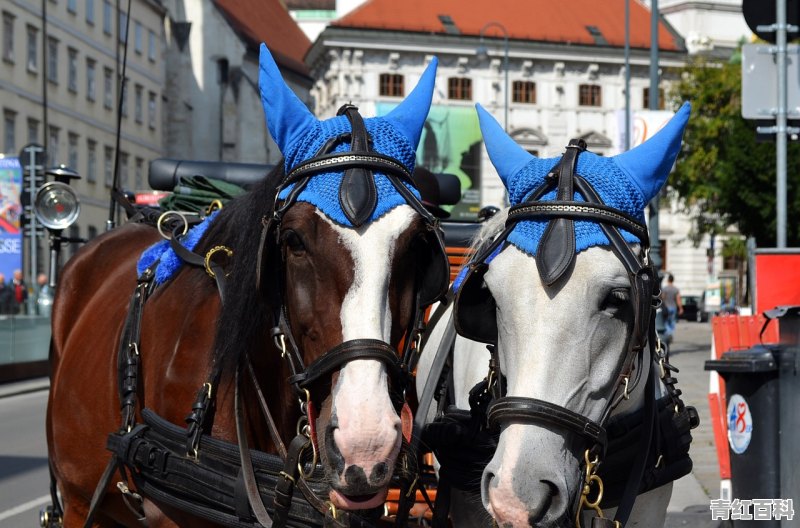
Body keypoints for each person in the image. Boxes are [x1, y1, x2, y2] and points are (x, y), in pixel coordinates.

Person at [661, 273, 683, 343]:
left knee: (666, 322)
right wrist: (681, 308)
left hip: (666, 307)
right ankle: (670, 334)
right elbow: (678, 299)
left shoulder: (665, 289)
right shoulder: (676, 289)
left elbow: (662, 298)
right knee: (672, 322)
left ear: (668, 280)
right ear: (673, 280)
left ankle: (668, 334)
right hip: (673, 307)